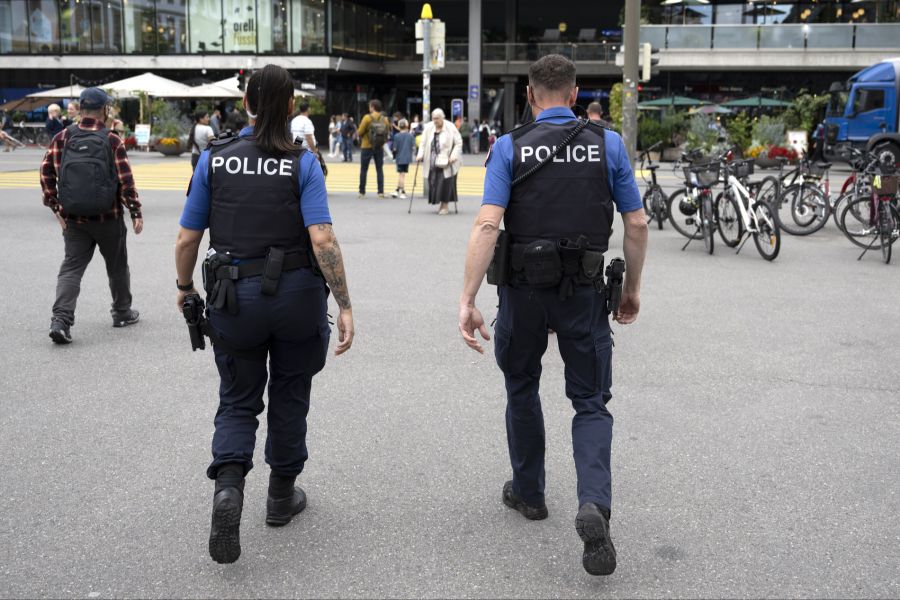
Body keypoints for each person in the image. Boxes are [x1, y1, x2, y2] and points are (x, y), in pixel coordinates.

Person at [456, 54, 647, 577]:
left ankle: (530, 492)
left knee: (521, 386)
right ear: (574, 91)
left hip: (523, 292)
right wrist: (631, 289)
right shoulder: (607, 143)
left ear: (531, 96)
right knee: (589, 401)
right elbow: (636, 222)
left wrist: (468, 299)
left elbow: (488, 223)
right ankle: (593, 504)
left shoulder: (507, 147)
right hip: (584, 292)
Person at [174, 64, 355, 565]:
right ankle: (280, 496)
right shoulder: (303, 162)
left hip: (235, 298)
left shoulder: (215, 158)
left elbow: (188, 237)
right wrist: (344, 303)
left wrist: (184, 286)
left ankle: (229, 489)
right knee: (291, 393)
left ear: (247, 103)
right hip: (297, 297)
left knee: (237, 399)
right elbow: (322, 238)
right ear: (292, 105)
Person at [40, 87, 143, 344]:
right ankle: (121, 313)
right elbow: (126, 180)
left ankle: (61, 321)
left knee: (71, 268)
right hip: (109, 218)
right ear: (105, 110)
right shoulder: (111, 139)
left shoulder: (62, 137)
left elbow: (45, 174)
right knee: (117, 267)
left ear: (81, 109)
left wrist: (56, 208)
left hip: (74, 219)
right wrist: (136, 211)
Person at [416, 108, 463, 215]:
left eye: (437, 118)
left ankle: (445, 205)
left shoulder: (450, 127)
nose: (435, 121)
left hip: (447, 161)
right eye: (434, 118)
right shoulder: (429, 127)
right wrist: (420, 155)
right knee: (435, 183)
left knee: (446, 183)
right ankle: (441, 204)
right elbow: (423, 143)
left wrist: (453, 155)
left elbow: (458, 142)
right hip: (432, 161)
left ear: (442, 118)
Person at [357, 99, 390, 198]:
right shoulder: (385, 119)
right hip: (379, 147)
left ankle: (362, 192)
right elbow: (387, 133)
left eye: (370, 106)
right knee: (379, 169)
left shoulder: (367, 118)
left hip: (366, 146)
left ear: (372, 107)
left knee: (364, 169)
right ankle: (380, 192)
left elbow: (360, 132)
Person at [391, 119, 414, 199]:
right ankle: (397, 190)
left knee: (401, 175)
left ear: (399, 126)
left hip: (399, 157)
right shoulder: (410, 136)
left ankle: (402, 191)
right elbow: (413, 147)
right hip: (407, 158)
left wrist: (394, 156)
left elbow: (394, 149)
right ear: (407, 126)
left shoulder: (396, 136)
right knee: (402, 174)